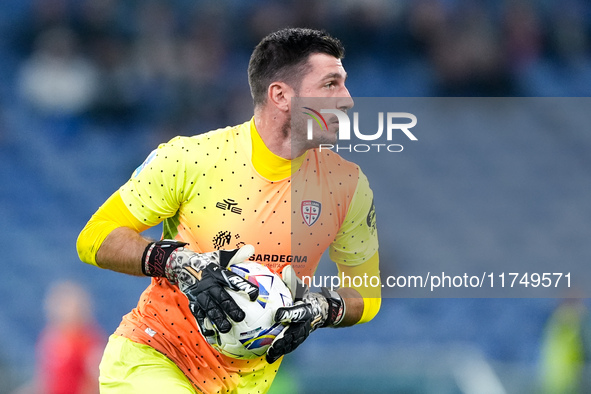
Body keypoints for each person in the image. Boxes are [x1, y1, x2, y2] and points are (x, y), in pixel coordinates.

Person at [77, 27, 381, 394]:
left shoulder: (347, 186)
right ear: (281, 95)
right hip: (153, 357)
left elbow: (366, 295)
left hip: (245, 384)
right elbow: (94, 237)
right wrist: (176, 262)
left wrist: (322, 309)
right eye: (331, 84)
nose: (347, 99)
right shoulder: (191, 158)